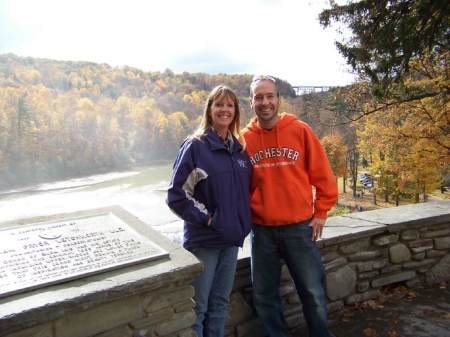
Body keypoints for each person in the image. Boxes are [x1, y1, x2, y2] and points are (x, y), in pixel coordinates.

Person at [242, 75, 338, 337]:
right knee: (264, 296)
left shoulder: (300, 130)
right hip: (261, 231)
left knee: (313, 292)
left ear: (278, 99)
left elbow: (324, 176)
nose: (265, 102)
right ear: (251, 102)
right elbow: (238, 187)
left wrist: (321, 212)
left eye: (270, 96)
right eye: (259, 97)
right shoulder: (244, 140)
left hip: (299, 228)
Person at [166, 85, 252, 337]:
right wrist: (209, 219)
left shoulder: (239, 150)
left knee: (219, 306)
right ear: (210, 109)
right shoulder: (195, 146)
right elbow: (177, 195)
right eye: (219, 104)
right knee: (199, 308)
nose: (224, 109)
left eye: (230, 105)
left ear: (235, 111)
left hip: (230, 241)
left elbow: (243, 194)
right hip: (205, 241)